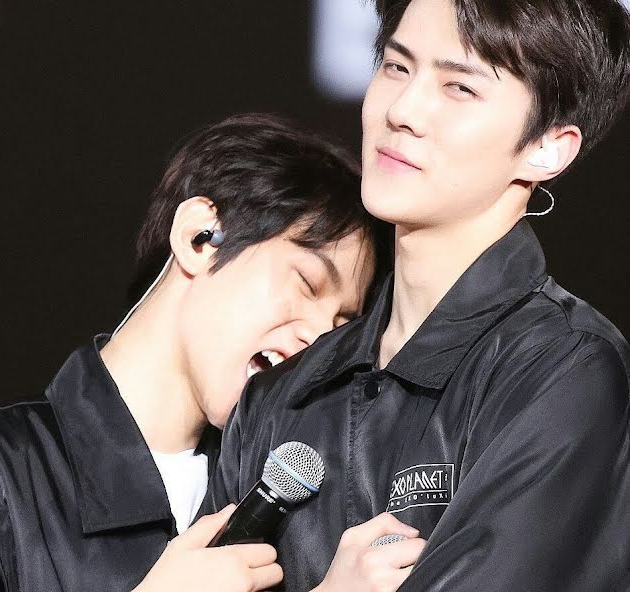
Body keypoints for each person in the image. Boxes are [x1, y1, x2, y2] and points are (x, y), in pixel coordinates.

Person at [0, 113, 391, 591]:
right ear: (200, 237)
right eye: (308, 283)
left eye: (343, 325)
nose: (321, 339)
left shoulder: (300, 503)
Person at [201, 2, 630, 591]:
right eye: (396, 67)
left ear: (548, 147)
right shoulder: (280, 398)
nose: (401, 110)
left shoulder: (565, 373)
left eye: (459, 88)